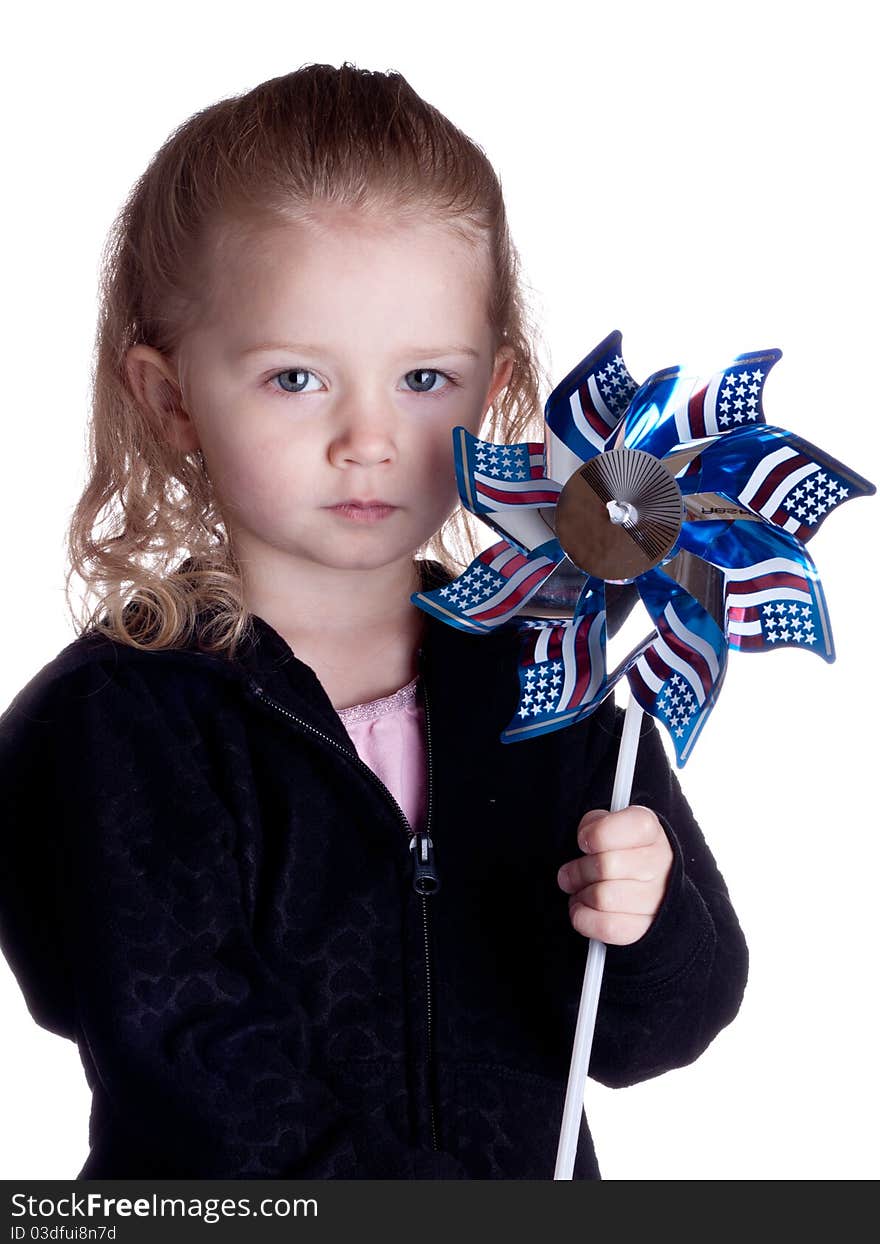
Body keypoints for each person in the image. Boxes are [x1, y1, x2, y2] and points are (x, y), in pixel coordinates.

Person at [0, 62, 748, 1181]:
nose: (369, 435)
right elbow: (196, 1061)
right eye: (296, 377)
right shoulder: (116, 726)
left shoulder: (548, 672)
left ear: (493, 389)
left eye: (422, 378)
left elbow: (657, 1031)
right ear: (172, 399)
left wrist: (644, 923)